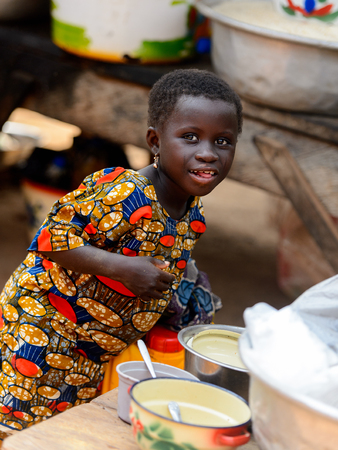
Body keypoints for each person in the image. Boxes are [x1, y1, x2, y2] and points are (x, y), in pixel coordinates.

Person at [0, 68, 243, 432]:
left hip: (91, 348)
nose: (208, 153)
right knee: (22, 426)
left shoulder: (193, 214)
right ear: (155, 141)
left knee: (59, 428)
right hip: (45, 326)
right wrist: (123, 268)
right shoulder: (127, 192)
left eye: (222, 141)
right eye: (190, 137)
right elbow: (51, 239)